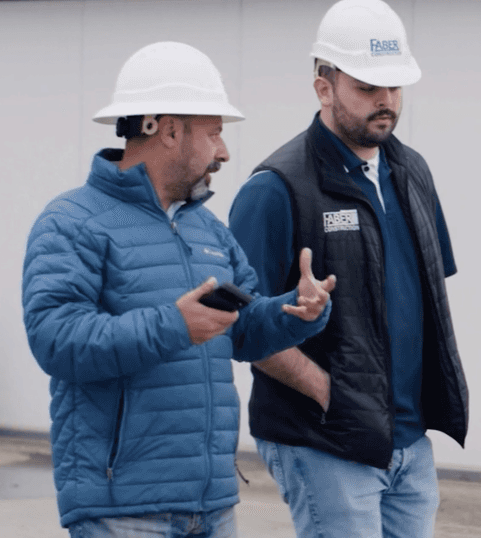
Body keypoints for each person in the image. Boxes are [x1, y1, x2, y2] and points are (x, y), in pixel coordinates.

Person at [22, 41, 337, 537]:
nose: (225, 152)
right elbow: (56, 340)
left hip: (211, 505)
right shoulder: (72, 222)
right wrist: (174, 325)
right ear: (168, 130)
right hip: (121, 509)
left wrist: (295, 311)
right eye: (213, 133)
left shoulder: (208, 231)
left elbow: (244, 331)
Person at [227, 0, 468, 538]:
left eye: (394, 86)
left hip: (408, 439)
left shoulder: (412, 172)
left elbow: (423, 300)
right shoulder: (276, 189)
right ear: (324, 85)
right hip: (325, 440)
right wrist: (326, 391)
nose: (385, 100)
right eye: (366, 87)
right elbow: (239, 327)